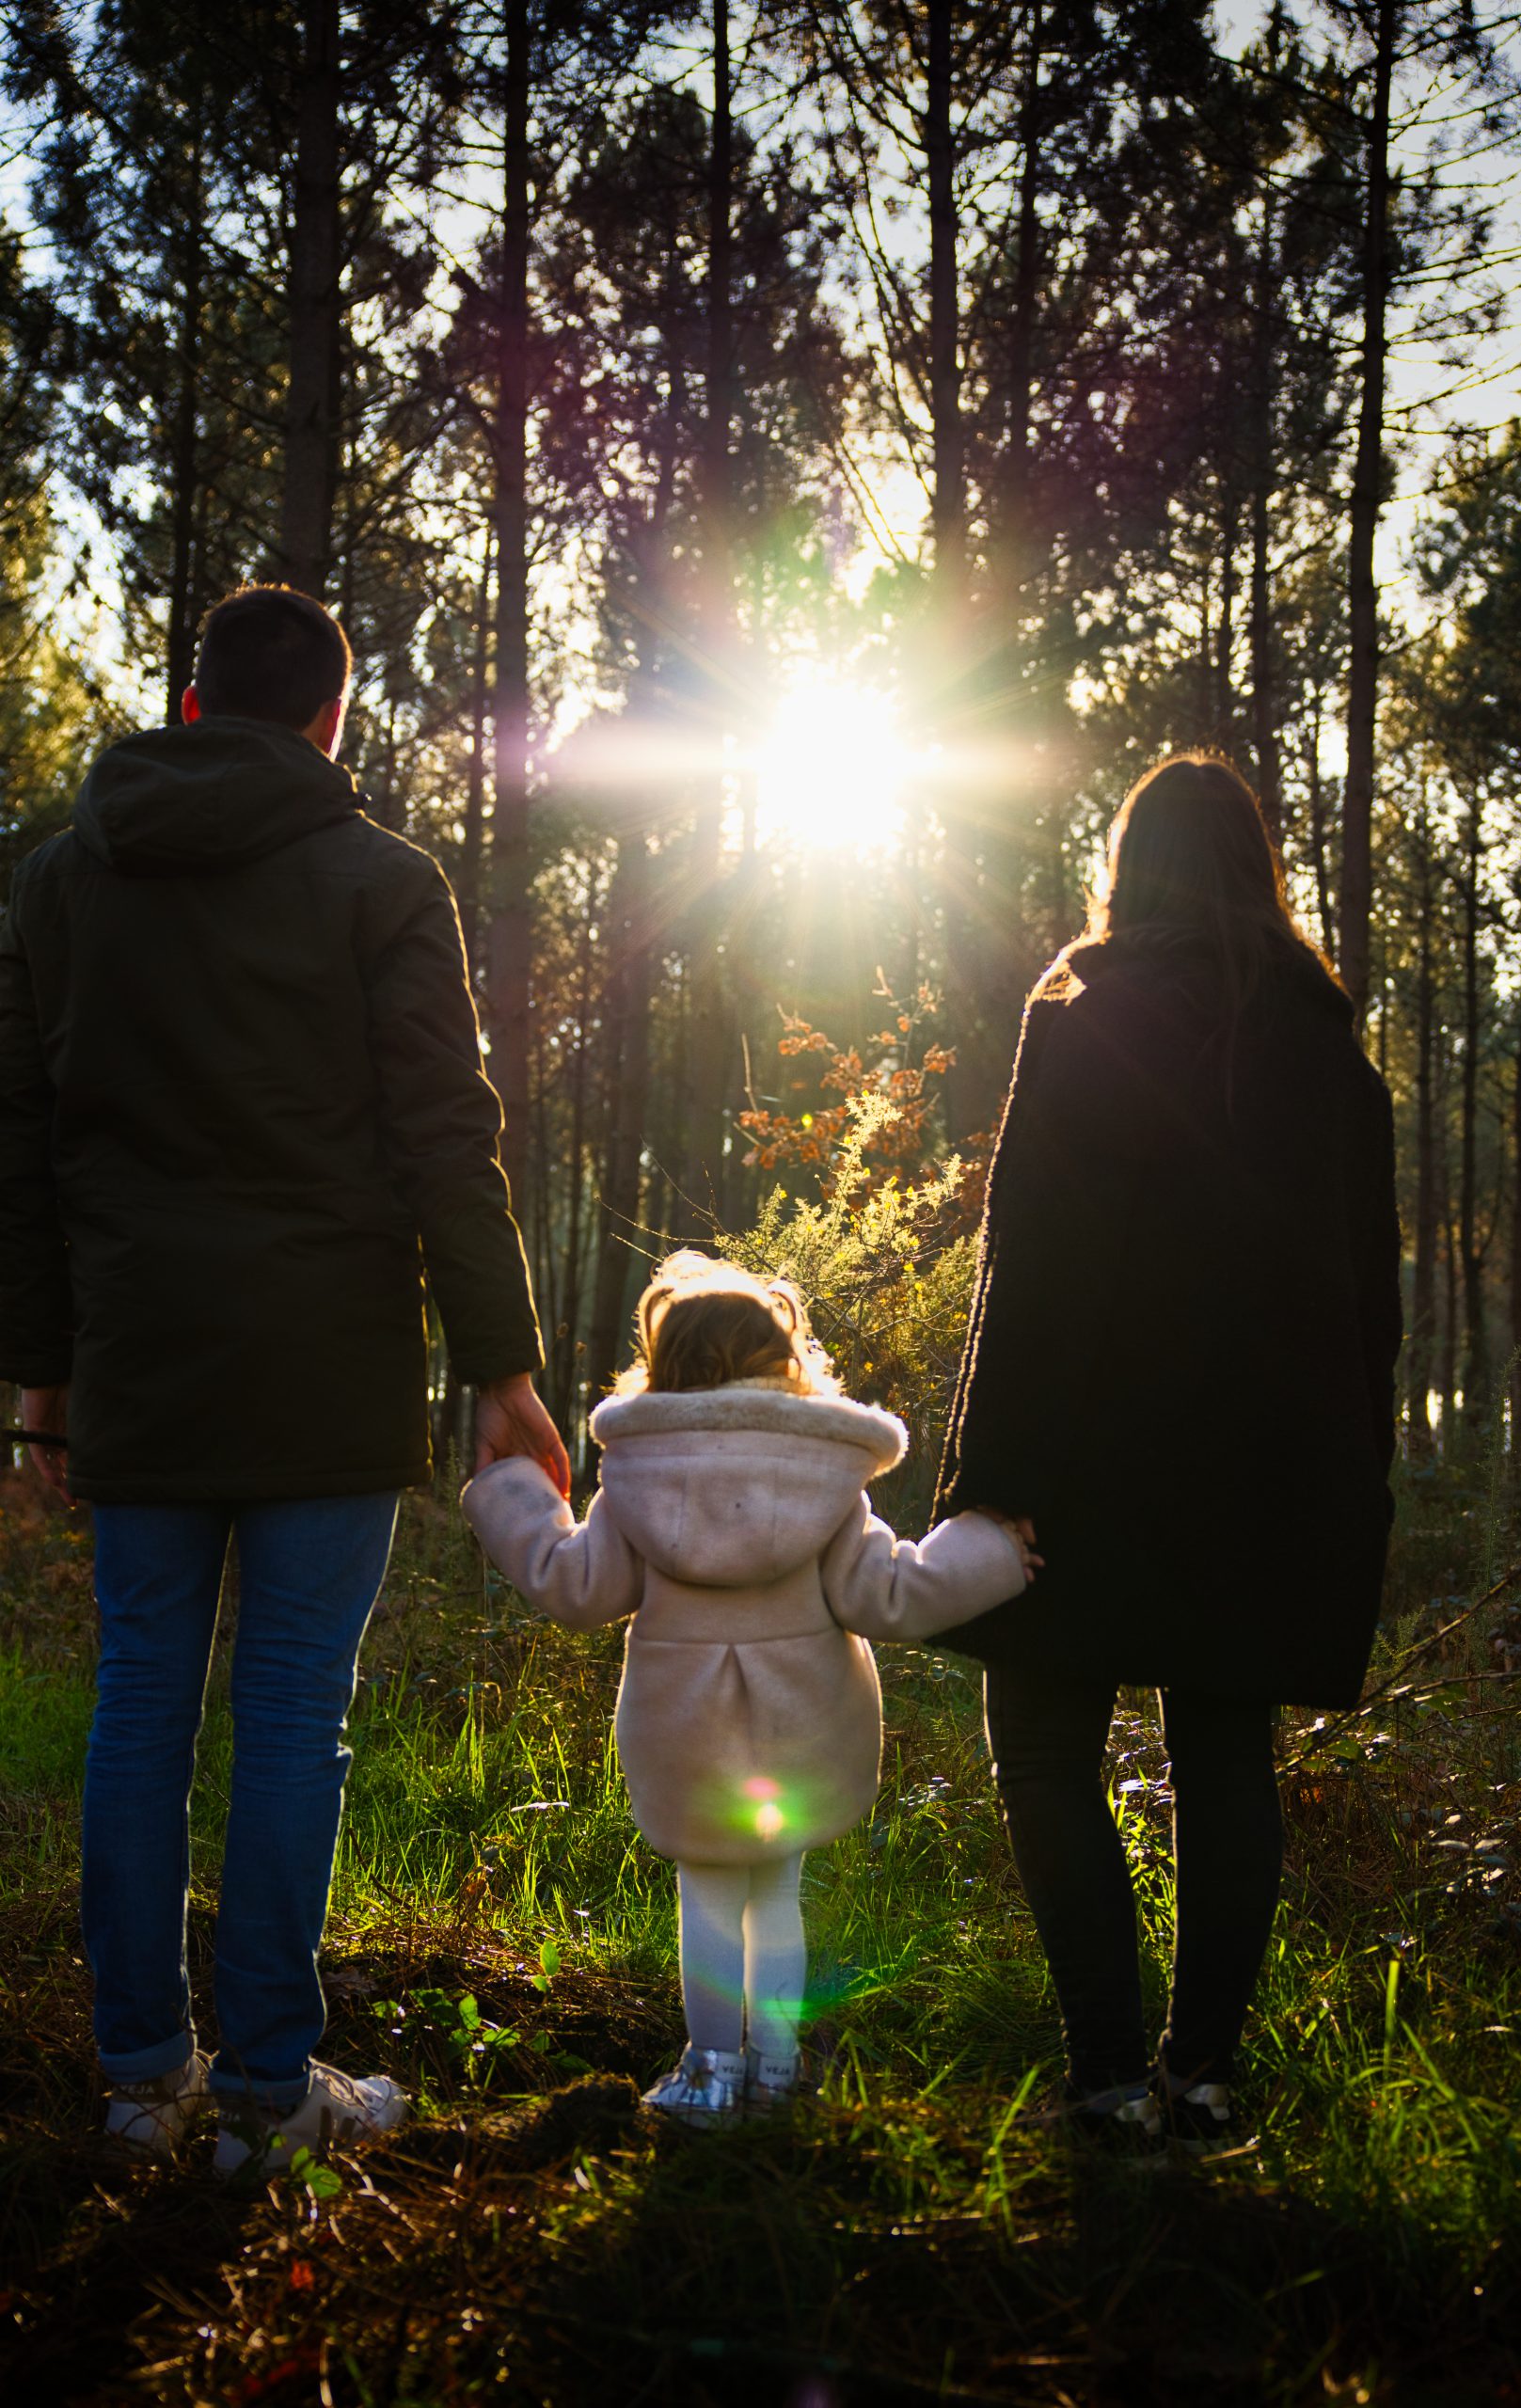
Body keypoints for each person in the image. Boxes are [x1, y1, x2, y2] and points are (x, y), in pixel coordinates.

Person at [0, 584, 567, 2176]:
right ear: (333, 721)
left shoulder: (57, 885)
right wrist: (502, 1371)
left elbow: (25, 1162)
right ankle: (263, 2090)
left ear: (189, 708)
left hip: (140, 1367)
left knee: (136, 1712)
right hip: (326, 1367)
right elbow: (445, 1138)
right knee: (291, 1716)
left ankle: (134, 2081)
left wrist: (42, 1388)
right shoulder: (384, 880)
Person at [935, 752, 1402, 2148]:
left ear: (1127, 871)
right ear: (1259, 873)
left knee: (1037, 1742)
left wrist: (989, 1483)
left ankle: (1105, 2076)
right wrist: (1347, 1481)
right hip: (1265, 1466)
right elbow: (1368, 1296)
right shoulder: (1328, 1046)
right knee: (1224, 1753)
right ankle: (1199, 2081)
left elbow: (1033, 1266)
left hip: (1088, 1453)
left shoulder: (1085, 1017)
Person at [463, 1249, 1034, 2121]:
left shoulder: (637, 1480)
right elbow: (891, 1594)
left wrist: (509, 1486)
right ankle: (775, 2070)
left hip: (683, 1731)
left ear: (664, 1365)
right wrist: (991, 1547)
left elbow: (575, 1588)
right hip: (800, 1725)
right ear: (785, 1359)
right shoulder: (824, 1481)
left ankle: (710, 2072)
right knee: (776, 1896)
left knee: (708, 1898)